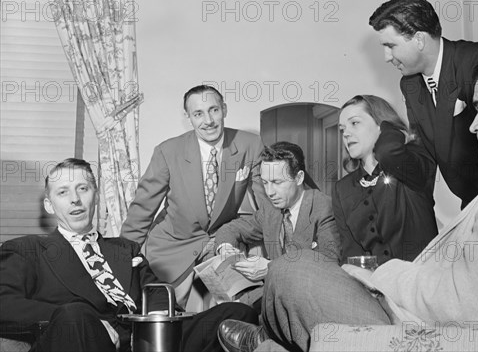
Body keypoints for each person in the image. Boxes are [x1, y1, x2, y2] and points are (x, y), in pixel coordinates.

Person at [217, 43, 478, 352]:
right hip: (417, 310)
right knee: (299, 273)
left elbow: (470, 308)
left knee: (291, 271)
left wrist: (386, 277)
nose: (473, 123)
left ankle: (267, 344)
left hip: (429, 331)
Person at [0, 158, 258, 352]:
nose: (75, 200)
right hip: (86, 337)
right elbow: (5, 305)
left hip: (145, 339)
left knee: (235, 314)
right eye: (63, 192)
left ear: (96, 196)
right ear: (49, 205)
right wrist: (87, 320)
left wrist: (159, 322)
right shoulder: (27, 250)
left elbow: (157, 295)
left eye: (83, 189)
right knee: (75, 314)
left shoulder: (125, 249)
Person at [121, 85, 268, 307]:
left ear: (224, 109)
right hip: (171, 246)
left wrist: (278, 259)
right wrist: (121, 261)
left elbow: (269, 205)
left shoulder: (250, 144)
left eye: (214, 110)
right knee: (160, 315)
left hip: (219, 242)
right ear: (188, 117)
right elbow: (142, 209)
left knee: (242, 304)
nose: (208, 120)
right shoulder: (168, 151)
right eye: (198, 114)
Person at [369, 0, 478, 207]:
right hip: (470, 203)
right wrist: (389, 152)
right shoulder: (409, 85)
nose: (386, 57)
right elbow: (424, 158)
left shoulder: (475, 60)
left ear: (419, 39)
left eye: (390, 46)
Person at [214, 141, 341, 310]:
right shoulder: (270, 208)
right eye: (265, 183)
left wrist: (269, 268)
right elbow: (231, 229)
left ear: (299, 178)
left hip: (311, 305)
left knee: (226, 315)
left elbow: (328, 266)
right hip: (271, 302)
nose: (270, 192)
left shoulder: (324, 207)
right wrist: (225, 248)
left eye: (277, 182)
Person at [334, 95, 437, 264]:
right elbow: (350, 252)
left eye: (354, 123)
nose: (346, 133)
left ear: (380, 125)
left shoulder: (412, 165)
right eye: (342, 129)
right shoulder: (342, 189)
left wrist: (390, 127)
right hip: (374, 286)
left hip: (422, 284)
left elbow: (388, 151)